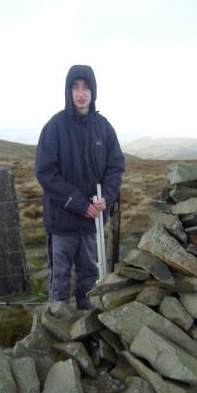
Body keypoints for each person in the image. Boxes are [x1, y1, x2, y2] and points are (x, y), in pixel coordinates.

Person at [35, 64, 125, 309]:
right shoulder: (55, 127)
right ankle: (56, 330)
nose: (81, 93)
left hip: (91, 221)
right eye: (75, 87)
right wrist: (78, 203)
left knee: (89, 278)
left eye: (86, 87)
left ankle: (87, 332)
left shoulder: (103, 127)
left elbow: (115, 166)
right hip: (62, 221)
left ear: (93, 91)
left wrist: (105, 197)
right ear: (68, 90)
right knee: (60, 278)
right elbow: (45, 172)